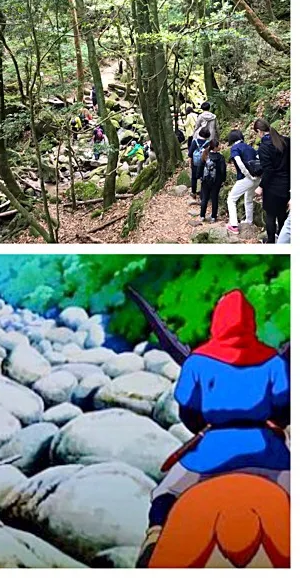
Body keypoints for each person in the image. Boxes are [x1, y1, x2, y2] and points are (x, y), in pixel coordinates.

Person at [138, 290, 289, 565]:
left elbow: (188, 410)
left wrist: (204, 426)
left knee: (165, 492)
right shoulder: (273, 362)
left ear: (218, 322)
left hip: (209, 454)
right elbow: (283, 407)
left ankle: (154, 536)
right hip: (269, 452)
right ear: (251, 323)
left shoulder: (197, 362)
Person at [254, 118, 290, 244]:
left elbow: (268, 170)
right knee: (282, 215)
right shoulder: (286, 141)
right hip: (287, 185)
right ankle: (282, 239)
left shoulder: (264, 147)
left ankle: (270, 242)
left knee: (270, 216)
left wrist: (261, 186)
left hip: (272, 187)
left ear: (259, 131)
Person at [226, 129, 261, 236]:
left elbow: (239, 163)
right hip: (257, 178)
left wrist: (248, 175)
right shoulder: (249, 147)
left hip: (246, 178)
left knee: (231, 199)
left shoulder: (235, 148)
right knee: (248, 198)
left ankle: (234, 225)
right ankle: (249, 221)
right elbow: (258, 159)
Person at [194, 138, 227, 224]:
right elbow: (223, 170)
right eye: (218, 145)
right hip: (216, 181)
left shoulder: (205, 155)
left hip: (205, 180)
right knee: (214, 198)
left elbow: (200, 167)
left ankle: (202, 215)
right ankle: (213, 217)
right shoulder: (220, 158)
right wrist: (223, 180)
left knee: (204, 198)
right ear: (215, 147)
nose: (220, 147)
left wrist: (199, 177)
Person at [188, 127, 210, 201]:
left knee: (194, 178)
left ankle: (193, 193)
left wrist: (189, 164)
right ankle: (202, 194)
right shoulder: (208, 143)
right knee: (203, 178)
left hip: (195, 163)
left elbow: (190, 154)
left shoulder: (195, 142)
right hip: (204, 163)